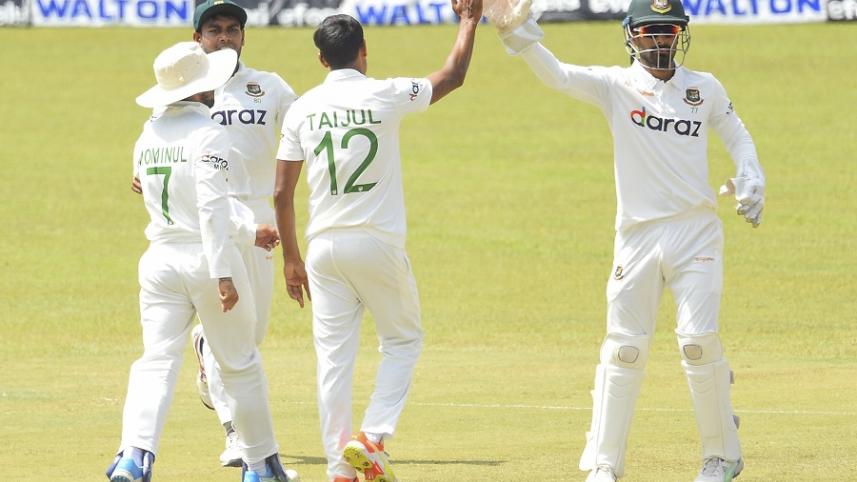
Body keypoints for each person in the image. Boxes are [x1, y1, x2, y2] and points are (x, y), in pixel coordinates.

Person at [493, 0, 765, 480]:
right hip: (636, 237)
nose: (659, 41)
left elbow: (737, 134)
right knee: (624, 350)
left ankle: (720, 457)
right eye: (650, 31)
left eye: (667, 31)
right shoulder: (616, 86)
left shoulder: (704, 88)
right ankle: (603, 464)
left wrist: (750, 174)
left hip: (695, 233)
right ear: (631, 35)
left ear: (680, 33)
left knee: (697, 343)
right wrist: (516, 30)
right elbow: (556, 75)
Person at [272, 4, 482, 482]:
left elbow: (282, 193)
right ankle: (371, 437)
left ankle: (338, 470)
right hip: (376, 243)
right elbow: (453, 75)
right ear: (363, 52)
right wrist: (469, 21)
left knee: (332, 362)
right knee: (404, 340)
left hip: (322, 248)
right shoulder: (386, 93)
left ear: (322, 60)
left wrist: (291, 260)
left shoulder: (303, 108)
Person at [106, 42, 299, 482]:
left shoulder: (148, 132)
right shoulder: (209, 133)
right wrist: (225, 275)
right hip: (205, 259)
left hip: (159, 260)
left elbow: (185, 197)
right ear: (202, 88)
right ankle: (261, 466)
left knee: (155, 361)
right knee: (240, 363)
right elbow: (212, 207)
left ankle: (133, 458)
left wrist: (252, 231)